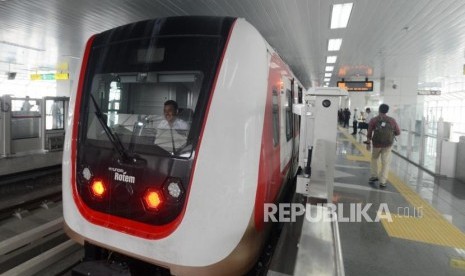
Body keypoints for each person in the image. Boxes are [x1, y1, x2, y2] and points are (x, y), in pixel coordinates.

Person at [366, 104, 400, 188]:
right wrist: (391, 134)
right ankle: (383, 181)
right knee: (385, 162)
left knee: (374, 159)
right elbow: (398, 132)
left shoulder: (374, 120)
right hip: (388, 144)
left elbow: (369, 132)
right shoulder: (392, 120)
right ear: (387, 111)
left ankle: (374, 176)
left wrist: (368, 142)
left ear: (379, 110)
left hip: (376, 144)